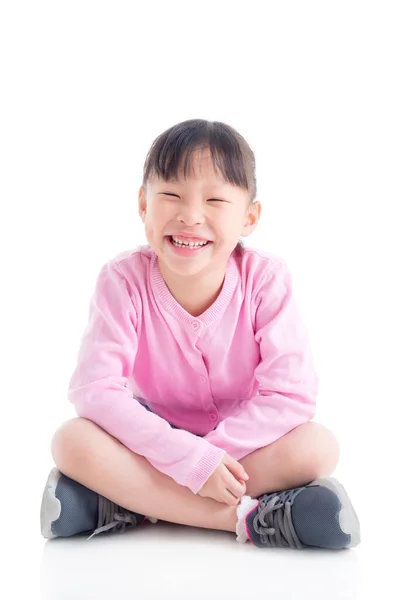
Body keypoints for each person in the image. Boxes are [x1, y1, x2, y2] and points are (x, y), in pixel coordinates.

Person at [40, 119, 360, 550]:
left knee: (318, 447)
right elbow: (96, 389)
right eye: (171, 195)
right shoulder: (122, 279)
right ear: (143, 204)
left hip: (240, 448)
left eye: (215, 200)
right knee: (71, 441)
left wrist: (211, 458)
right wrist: (188, 460)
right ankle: (251, 519)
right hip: (152, 441)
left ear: (249, 217)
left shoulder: (265, 279)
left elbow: (291, 395)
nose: (190, 215)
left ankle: (130, 504)